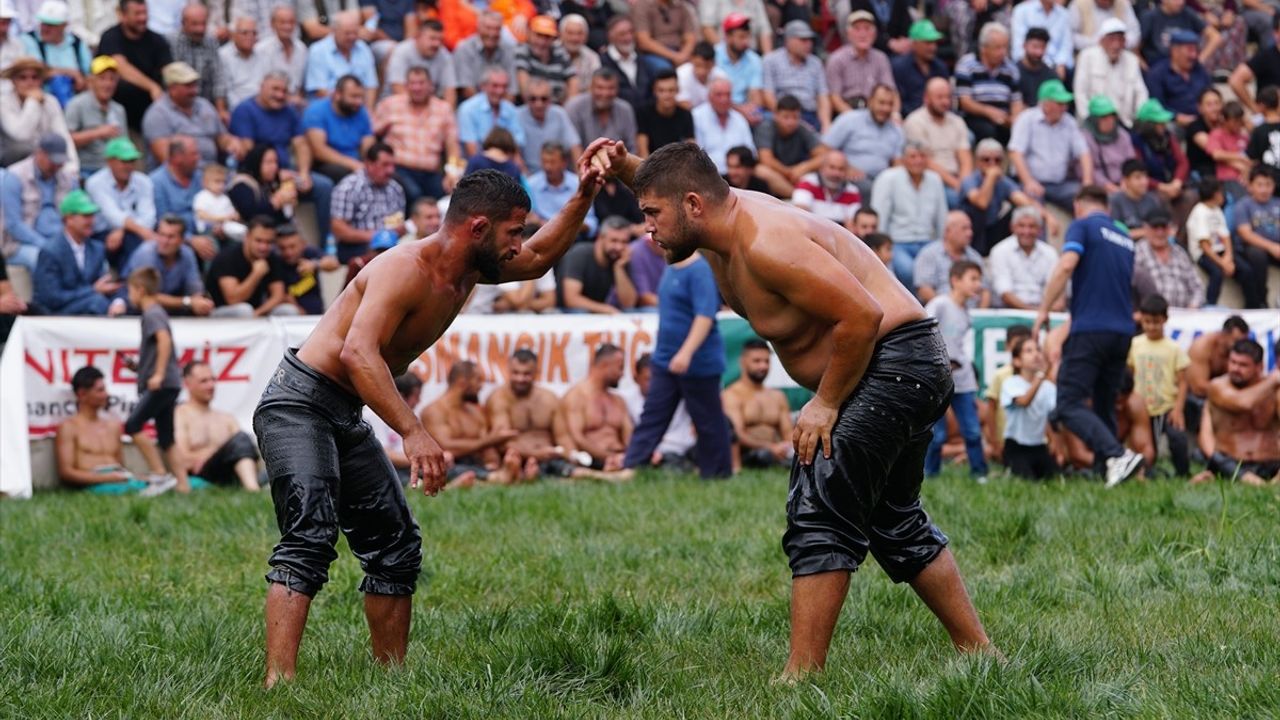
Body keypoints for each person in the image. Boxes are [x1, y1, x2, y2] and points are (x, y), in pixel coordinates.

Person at [598, 140, 993, 678]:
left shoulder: (766, 242)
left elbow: (861, 316)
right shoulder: (714, 221)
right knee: (893, 519)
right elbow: (674, 181)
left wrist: (825, 403)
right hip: (905, 362)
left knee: (819, 503)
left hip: (894, 360)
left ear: (693, 205)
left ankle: (801, 676)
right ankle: (981, 654)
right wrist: (622, 166)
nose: (647, 229)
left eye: (652, 214)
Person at [252, 144, 607, 687]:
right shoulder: (404, 268)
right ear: (478, 227)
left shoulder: (470, 271)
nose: (518, 244)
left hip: (343, 409)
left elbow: (539, 259)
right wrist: (414, 432)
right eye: (513, 232)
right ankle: (279, 685)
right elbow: (357, 353)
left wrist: (584, 194)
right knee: (310, 535)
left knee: (396, 544)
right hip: (297, 403)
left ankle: (391, 680)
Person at [1032, 185, 1144, 488]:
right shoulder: (1124, 237)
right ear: (1107, 207)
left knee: (1068, 404)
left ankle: (1117, 455)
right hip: (1122, 331)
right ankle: (1105, 471)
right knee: (1104, 403)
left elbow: (1066, 265)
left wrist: (1044, 309)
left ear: (1078, 205)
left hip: (1091, 328)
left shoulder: (1082, 226)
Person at [622, 240, 732, 478]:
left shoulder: (699, 271)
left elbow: (705, 316)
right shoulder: (672, 267)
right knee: (653, 415)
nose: (657, 240)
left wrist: (686, 352)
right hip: (665, 360)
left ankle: (718, 474)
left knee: (708, 421)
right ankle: (632, 467)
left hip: (698, 362)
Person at [122, 266, 188, 492]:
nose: (129, 296)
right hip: (170, 383)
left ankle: (160, 474)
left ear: (140, 290)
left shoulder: (152, 314)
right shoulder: (156, 313)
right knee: (167, 438)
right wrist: (138, 368)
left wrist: (158, 374)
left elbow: (164, 340)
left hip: (163, 383)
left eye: (130, 290)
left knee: (132, 425)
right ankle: (183, 486)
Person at [56, 366, 172, 495]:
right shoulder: (69, 427)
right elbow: (66, 473)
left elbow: (120, 466)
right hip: (94, 484)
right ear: (82, 394)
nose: (106, 395)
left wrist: (129, 477)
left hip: (120, 480)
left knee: (167, 483)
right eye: (100, 390)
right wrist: (107, 478)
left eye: (105, 389)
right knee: (138, 490)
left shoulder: (113, 426)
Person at [923, 261, 989, 483]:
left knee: (972, 430)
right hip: (937, 380)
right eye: (973, 279)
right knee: (937, 433)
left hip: (963, 380)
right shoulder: (940, 304)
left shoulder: (966, 313)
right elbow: (922, 328)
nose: (978, 285)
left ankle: (979, 473)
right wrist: (937, 362)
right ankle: (929, 474)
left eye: (979, 280)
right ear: (955, 280)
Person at [1193, 339, 1280, 486]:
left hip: (1270, 462)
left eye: (1243, 365)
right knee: (1219, 460)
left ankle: (1266, 482)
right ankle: (1256, 483)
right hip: (1231, 462)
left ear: (1259, 367)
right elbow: (1243, 403)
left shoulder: (1275, 391)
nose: (1235, 368)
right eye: (1233, 362)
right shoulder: (1218, 386)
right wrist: (1273, 380)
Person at [486, 349, 580, 480]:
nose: (520, 378)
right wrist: (535, 454)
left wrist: (573, 455)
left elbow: (563, 437)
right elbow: (501, 442)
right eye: (516, 373)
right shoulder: (499, 399)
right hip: (518, 458)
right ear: (508, 370)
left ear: (536, 372)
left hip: (549, 457)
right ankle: (526, 473)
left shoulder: (550, 399)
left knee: (574, 472)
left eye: (526, 374)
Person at [420, 360, 520, 484]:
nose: (481, 386)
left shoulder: (474, 412)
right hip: (450, 464)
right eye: (478, 380)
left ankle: (492, 475)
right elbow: (445, 446)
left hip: (476, 464)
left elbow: (486, 447)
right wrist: (489, 440)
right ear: (462, 382)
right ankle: (490, 478)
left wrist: (493, 461)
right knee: (446, 465)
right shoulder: (434, 411)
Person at [374, 67, 460, 205]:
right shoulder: (390, 105)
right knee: (414, 194)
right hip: (398, 169)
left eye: (421, 83)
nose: (417, 88)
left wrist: (452, 172)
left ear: (431, 85)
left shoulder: (444, 109)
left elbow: (452, 144)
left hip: (431, 172)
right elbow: (372, 134)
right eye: (412, 83)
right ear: (406, 85)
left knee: (448, 196)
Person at [1127, 294, 1191, 477]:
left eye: (1156, 322)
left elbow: (1183, 381)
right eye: (1147, 322)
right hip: (1142, 409)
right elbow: (1130, 373)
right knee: (1148, 448)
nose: (1151, 327)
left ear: (1165, 320)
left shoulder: (1174, 348)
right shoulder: (1135, 344)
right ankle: (1148, 473)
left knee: (1178, 439)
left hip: (1167, 408)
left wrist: (1178, 409)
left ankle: (1183, 474)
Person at [871, 141, 948, 287]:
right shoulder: (888, 178)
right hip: (898, 242)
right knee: (909, 271)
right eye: (913, 156)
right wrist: (882, 247)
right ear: (903, 159)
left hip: (927, 241)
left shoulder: (935, 179)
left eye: (922, 156)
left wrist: (942, 245)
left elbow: (941, 216)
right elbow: (880, 215)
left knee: (940, 271)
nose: (918, 161)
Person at [1008, 80, 1094, 212]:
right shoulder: (1026, 118)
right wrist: (1028, 181)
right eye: (1059, 103)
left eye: (1065, 103)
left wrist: (1087, 181)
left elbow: (1084, 153)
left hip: (1060, 184)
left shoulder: (1069, 122)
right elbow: (1015, 153)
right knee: (1033, 211)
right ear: (1046, 104)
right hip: (1029, 182)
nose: (1064, 107)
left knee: (1089, 201)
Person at [174, 361, 261, 491]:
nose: (211, 385)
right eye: (203, 381)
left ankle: (252, 488)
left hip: (231, 474)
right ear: (187, 384)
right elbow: (181, 459)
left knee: (242, 439)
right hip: (204, 475)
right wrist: (217, 452)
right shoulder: (180, 415)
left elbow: (247, 454)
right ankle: (253, 490)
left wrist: (207, 453)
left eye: (212, 380)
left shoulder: (227, 418)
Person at [34, 190, 122, 316]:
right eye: (86, 216)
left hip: (89, 306)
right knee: (97, 302)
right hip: (56, 314)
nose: (91, 221)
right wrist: (92, 290)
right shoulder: (50, 251)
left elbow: (105, 284)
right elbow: (51, 297)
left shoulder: (97, 248)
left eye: (92, 215)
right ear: (69, 219)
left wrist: (118, 302)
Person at [959, 140, 1049, 255]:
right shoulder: (969, 180)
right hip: (973, 232)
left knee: (1022, 212)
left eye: (997, 160)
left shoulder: (1003, 181)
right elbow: (982, 203)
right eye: (986, 159)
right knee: (977, 212)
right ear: (977, 161)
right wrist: (990, 177)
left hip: (993, 230)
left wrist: (1047, 216)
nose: (992, 164)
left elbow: (1023, 201)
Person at [96, 0, 173, 131]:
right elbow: (121, 66)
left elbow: (168, 70)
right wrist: (152, 87)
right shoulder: (110, 37)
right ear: (123, 15)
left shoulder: (157, 40)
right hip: (120, 112)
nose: (142, 18)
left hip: (153, 109)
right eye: (137, 14)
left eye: (145, 13)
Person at [113, 215, 212, 316]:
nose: (164, 241)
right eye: (161, 235)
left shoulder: (187, 254)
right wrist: (188, 302)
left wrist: (200, 303)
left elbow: (195, 290)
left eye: (170, 237)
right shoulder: (146, 253)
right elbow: (148, 297)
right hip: (135, 309)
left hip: (172, 309)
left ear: (182, 240)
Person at [141, 61, 236, 166]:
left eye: (194, 85)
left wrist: (231, 143)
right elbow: (166, 158)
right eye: (188, 86)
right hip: (180, 172)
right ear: (172, 88)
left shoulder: (204, 105)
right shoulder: (157, 114)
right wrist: (204, 171)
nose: (194, 90)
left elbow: (221, 137)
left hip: (213, 169)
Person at [559, 343, 634, 472]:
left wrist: (629, 456)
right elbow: (577, 438)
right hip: (593, 461)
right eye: (620, 367)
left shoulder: (619, 401)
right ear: (604, 365)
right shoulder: (576, 397)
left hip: (621, 457)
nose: (622, 374)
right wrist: (609, 457)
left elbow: (629, 437)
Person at [204, 216, 297, 317]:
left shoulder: (272, 258)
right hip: (220, 313)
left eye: (268, 242)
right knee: (244, 310)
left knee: (288, 310)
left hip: (255, 311)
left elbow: (278, 296)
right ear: (247, 237)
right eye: (258, 241)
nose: (263, 247)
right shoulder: (227, 257)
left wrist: (258, 312)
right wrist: (256, 274)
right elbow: (233, 299)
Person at [84, 137, 154, 270]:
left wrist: (123, 229)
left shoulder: (144, 181)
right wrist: (136, 229)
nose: (129, 166)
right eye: (124, 161)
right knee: (133, 241)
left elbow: (148, 217)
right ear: (110, 161)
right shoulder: (95, 182)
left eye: (132, 161)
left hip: (134, 234)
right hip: (101, 235)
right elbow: (112, 215)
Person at [722, 338, 793, 468]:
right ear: (742, 362)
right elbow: (737, 435)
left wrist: (788, 447)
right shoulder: (731, 395)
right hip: (749, 454)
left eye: (767, 361)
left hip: (778, 452)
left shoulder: (778, 396)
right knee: (763, 456)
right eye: (757, 361)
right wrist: (771, 447)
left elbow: (788, 433)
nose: (763, 366)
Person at [331, 143, 407, 263]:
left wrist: (399, 230)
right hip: (357, 245)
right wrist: (376, 236)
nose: (390, 170)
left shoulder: (395, 189)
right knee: (384, 256)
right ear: (369, 164)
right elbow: (338, 229)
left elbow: (399, 221)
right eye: (385, 165)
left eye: (393, 165)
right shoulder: (349, 187)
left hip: (391, 243)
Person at [904, 78, 974, 209]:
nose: (945, 102)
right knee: (961, 202)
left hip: (958, 179)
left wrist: (965, 185)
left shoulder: (957, 121)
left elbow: (965, 158)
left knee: (983, 199)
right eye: (940, 97)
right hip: (931, 180)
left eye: (948, 97)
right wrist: (956, 185)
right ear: (926, 98)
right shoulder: (915, 121)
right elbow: (925, 161)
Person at [823, 83, 902, 195]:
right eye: (881, 103)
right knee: (869, 189)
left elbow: (898, 164)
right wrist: (845, 167)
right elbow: (824, 149)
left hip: (882, 180)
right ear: (870, 101)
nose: (886, 108)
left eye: (890, 104)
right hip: (849, 177)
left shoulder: (896, 130)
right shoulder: (850, 119)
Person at [0, 56, 78, 168]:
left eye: (35, 77)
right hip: (10, 164)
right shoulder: (3, 102)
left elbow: (62, 135)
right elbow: (21, 135)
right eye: (23, 78)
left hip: (44, 162)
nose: (29, 82)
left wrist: (72, 166)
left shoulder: (50, 101)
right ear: (13, 80)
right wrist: (32, 102)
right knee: (22, 149)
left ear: (41, 80)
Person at [1000, 335, 1059, 480]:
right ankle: (1008, 470)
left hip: (1039, 445)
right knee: (1026, 479)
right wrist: (1040, 376)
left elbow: (1052, 417)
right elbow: (1024, 402)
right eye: (1029, 351)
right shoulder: (1011, 383)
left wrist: (1055, 443)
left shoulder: (1049, 387)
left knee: (1055, 478)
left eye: (1038, 350)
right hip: (1015, 446)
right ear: (1017, 361)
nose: (1036, 354)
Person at [1073, 18, 1147, 126]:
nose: (1116, 45)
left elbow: (1141, 93)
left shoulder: (1132, 60)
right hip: (1094, 123)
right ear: (1101, 41)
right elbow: (1080, 93)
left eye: (1120, 40)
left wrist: (1139, 118)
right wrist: (1088, 120)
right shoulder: (1087, 57)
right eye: (1111, 40)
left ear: (1125, 42)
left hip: (1125, 122)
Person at [303, 75, 375, 183]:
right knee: (348, 176)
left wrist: (372, 164)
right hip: (325, 163)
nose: (359, 102)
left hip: (356, 161)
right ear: (337, 95)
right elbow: (319, 151)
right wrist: (353, 164)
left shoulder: (361, 112)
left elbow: (368, 145)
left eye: (361, 97)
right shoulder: (316, 111)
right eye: (354, 97)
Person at [1184, 315, 1250, 435]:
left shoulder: (1239, 352)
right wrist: (1229, 395)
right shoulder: (1202, 347)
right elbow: (1198, 388)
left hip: (1226, 393)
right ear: (1224, 335)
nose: (1240, 345)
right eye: (1236, 341)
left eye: (1242, 341)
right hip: (1196, 398)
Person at [1186, 178, 1246, 307]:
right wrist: (1223, 264)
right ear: (1215, 194)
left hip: (1219, 250)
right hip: (1203, 254)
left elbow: (1225, 236)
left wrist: (1228, 257)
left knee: (1245, 269)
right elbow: (1204, 245)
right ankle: (1210, 305)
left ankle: (1252, 304)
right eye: (1221, 192)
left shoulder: (1216, 210)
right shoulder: (1200, 212)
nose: (1223, 195)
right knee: (1216, 273)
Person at [761, 20, 829, 133]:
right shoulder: (771, 61)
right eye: (803, 40)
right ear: (788, 41)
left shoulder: (816, 63)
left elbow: (823, 97)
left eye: (810, 40)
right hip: (782, 115)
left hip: (809, 114)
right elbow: (768, 96)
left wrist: (826, 124)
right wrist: (789, 118)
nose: (808, 44)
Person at [558, 215, 637, 313]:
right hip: (567, 313)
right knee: (581, 312)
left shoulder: (621, 259)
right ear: (600, 237)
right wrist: (605, 309)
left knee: (635, 312)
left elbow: (628, 304)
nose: (619, 247)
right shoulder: (579, 254)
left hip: (600, 313)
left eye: (624, 242)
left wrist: (619, 268)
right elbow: (571, 300)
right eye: (614, 241)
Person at [64, 55, 127, 176]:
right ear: (91, 80)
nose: (108, 84)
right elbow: (67, 140)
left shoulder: (119, 110)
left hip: (114, 171)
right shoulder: (76, 104)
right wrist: (97, 133)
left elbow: (125, 143)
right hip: (85, 168)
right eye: (102, 78)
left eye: (112, 79)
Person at [988, 206, 1061, 310]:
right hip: (1009, 312)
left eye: (1032, 226)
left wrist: (1044, 311)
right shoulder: (1000, 251)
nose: (1027, 231)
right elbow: (1004, 293)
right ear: (1012, 228)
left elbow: (1056, 289)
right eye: (1021, 226)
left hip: (1044, 310)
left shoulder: (1050, 253)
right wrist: (1033, 312)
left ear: (1040, 230)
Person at [913, 211, 990, 307]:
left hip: (972, 313)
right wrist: (948, 309)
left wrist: (980, 313)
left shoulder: (975, 256)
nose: (970, 233)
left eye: (970, 228)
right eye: (964, 228)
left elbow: (985, 290)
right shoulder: (929, 254)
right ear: (948, 231)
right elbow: (923, 289)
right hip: (939, 312)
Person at [980, 323, 1033, 464]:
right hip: (1007, 440)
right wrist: (994, 442)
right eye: (1017, 345)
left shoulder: (1036, 376)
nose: (1020, 349)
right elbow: (991, 409)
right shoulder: (1001, 375)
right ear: (1007, 346)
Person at [825, 10, 894, 116]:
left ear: (874, 34)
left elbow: (891, 91)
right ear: (848, 34)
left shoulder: (881, 58)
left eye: (867, 28)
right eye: (857, 29)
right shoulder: (836, 59)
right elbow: (834, 98)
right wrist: (856, 118)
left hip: (876, 111)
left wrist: (895, 113)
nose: (862, 34)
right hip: (846, 112)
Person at [21, 0, 90, 104]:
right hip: (41, 101)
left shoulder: (77, 43)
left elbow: (89, 75)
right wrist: (72, 73)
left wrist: (81, 82)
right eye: (43, 23)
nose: (44, 28)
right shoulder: (29, 40)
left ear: (64, 25)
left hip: (76, 101)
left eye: (50, 24)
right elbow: (36, 71)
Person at [1133, 208, 1205, 309]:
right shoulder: (1137, 252)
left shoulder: (1180, 253)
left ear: (1170, 229)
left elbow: (1197, 287)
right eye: (1155, 227)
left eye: (1163, 227)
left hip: (1184, 313)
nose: (1160, 232)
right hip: (1151, 314)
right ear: (1146, 229)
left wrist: (1193, 305)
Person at [166, 3, 227, 120]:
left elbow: (218, 77)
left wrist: (221, 109)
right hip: (178, 106)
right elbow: (171, 80)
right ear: (183, 23)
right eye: (195, 24)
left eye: (203, 24)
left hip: (207, 106)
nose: (200, 29)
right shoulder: (171, 42)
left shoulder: (211, 41)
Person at [304, 11, 377, 108]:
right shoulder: (318, 51)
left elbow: (371, 86)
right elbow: (320, 91)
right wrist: (348, 106)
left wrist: (368, 112)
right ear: (334, 31)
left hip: (357, 108)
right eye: (347, 33)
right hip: (328, 109)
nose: (352, 37)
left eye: (355, 33)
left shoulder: (363, 48)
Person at [527, 142, 599, 237]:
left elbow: (591, 223)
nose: (547, 167)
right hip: (540, 236)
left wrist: (568, 225)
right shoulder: (531, 185)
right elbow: (529, 218)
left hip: (574, 237)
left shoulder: (578, 185)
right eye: (544, 162)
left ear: (564, 163)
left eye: (552, 162)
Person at [753, 94, 823, 187]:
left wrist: (804, 167)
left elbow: (824, 156)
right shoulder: (765, 128)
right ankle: (795, 193)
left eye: (795, 117)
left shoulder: (802, 128)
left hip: (798, 173)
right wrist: (788, 172)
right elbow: (766, 160)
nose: (790, 122)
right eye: (786, 117)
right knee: (761, 171)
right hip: (777, 174)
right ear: (776, 115)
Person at [1146, 29, 1212, 127]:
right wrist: (1175, 116)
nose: (1194, 55)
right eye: (1190, 50)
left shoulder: (1200, 70)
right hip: (1173, 123)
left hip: (1203, 121)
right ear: (1175, 51)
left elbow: (1210, 93)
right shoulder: (1157, 74)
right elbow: (1156, 105)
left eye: (1196, 50)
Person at [566, 68, 638, 156]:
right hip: (582, 162)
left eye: (610, 88)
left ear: (618, 89)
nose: (605, 93)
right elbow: (573, 147)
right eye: (600, 88)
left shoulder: (625, 110)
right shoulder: (574, 107)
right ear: (591, 87)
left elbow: (632, 148)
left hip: (619, 163)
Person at [456, 67, 525, 159]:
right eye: (495, 86)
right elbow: (472, 152)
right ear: (483, 86)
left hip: (506, 162)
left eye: (504, 86)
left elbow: (517, 145)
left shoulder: (511, 110)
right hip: (477, 164)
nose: (500, 91)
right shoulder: (468, 109)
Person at [1235, 166, 1280, 305]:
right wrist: (1272, 247)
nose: (1264, 189)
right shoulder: (1243, 205)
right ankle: (1261, 300)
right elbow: (1245, 234)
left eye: (1268, 184)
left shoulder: (1278, 203)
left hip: (1277, 247)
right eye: (1259, 185)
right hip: (1253, 247)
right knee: (1257, 255)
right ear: (1250, 186)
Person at [516, 78, 582, 173]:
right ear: (526, 99)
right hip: (528, 173)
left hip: (557, 174)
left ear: (550, 100)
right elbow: (514, 153)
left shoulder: (559, 114)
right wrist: (525, 178)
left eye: (544, 99)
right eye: (533, 99)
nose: (538, 104)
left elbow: (574, 146)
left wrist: (580, 176)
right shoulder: (517, 116)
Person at [692, 76, 755, 175]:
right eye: (719, 95)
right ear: (709, 96)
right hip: (708, 175)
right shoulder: (696, 117)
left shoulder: (739, 119)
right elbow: (696, 155)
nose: (724, 99)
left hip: (738, 176)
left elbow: (751, 151)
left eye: (728, 94)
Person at [386, 20, 458, 106]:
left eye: (440, 40)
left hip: (431, 107)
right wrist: (418, 111)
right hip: (398, 105)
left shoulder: (444, 55)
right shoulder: (402, 51)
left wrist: (447, 111)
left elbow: (450, 90)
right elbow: (397, 87)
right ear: (418, 37)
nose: (437, 44)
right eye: (432, 38)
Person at [227, 144, 296, 230]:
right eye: (269, 162)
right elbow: (250, 215)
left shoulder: (269, 183)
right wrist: (276, 202)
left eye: (276, 162)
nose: (274, 166)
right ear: (257, 162)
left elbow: (281, 220)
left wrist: (287, 204)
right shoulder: (242, 183)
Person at [890, 19, 948, 118]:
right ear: (914, 44)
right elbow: (898, 102)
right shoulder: (899, 67)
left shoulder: (940, 67)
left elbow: (947, 97)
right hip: (909, 119)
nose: (933, 47)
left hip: (939, 117)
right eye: (928, 43)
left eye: (934, 43)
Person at [275, 224, 338, 314]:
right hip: (292, 316)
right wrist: (301, 313)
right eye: (283, 248)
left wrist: (315, 264)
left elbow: (334, 263)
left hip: (317, 314)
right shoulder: (277, 261)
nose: (288, 252)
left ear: (302, 244)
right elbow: (282, 295)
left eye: (292, 246)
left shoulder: (309, 253)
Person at [453, 11, 518, 94]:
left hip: (502, 100)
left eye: (497, 29)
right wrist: (486, 103)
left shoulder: (508, 49)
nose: (492, 33)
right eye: (488, 28)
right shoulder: (465, 49)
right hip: (473, 100)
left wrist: (503, 103)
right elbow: (466, 88)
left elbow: (512, 89)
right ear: (478, 28)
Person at [514, 15, 576, 102]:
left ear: (553, 39)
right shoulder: (522, 51)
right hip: (531, 103)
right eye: (538, 35)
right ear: (529, 34)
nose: (542, 42)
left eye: (547, 37)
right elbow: (524, 86)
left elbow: (573, 79)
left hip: (557, 105)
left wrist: (570, 105)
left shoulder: (559, 52)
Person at [1227, 13, 1280, 115]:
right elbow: (1235, 80)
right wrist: (1255, 109)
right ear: (1276, 33)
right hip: (1271, 116)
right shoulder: (1265, 57)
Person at [790, 150, 862, 225]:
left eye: (841, 169)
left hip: (839, 231)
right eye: (832, 167)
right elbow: (801, 214)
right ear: (822, 168)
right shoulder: (807, 183)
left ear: (846, 171)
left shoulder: (852, 191)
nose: (836, 173)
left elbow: (853, 224)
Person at [1083, 96, 1136, 195]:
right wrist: (1108, 186)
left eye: (1112, 116)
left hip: (1126, 184)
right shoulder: (1085, 139)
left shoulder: (1123, 135)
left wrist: (1126, 182)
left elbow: (1131, 163)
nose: (1109, 120)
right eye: (1104, 117)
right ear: (1094, 120)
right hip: (1100, 188)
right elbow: (1090, 170)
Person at [636, 69, 694, 157]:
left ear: (678, 90)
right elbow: (643, 151)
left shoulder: (685, 114)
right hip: (651, 163)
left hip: (678, 162)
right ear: (654, 91)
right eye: (661, 90)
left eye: (671, 90)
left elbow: (692, 149)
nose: (666, 95)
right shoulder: (643, 113)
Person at [256, 6, 308, 101]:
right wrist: (288, 98)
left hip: (296, 101)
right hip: (271, 100)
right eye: (282, 22)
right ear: (272, 24)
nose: (287, 26)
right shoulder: (262, 49)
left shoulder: (301, 48)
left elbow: (302, 85)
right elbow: (260, 85)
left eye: (291, 22)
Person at [1109, 159, 1167, 241]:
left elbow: (1161, 228)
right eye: (1138, 177)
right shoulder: (1115, 201)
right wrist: (1146, 232)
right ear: (1126, 180)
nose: (1144, 182)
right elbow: (1115, 232)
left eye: (1145, 177)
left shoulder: (1152, 200)